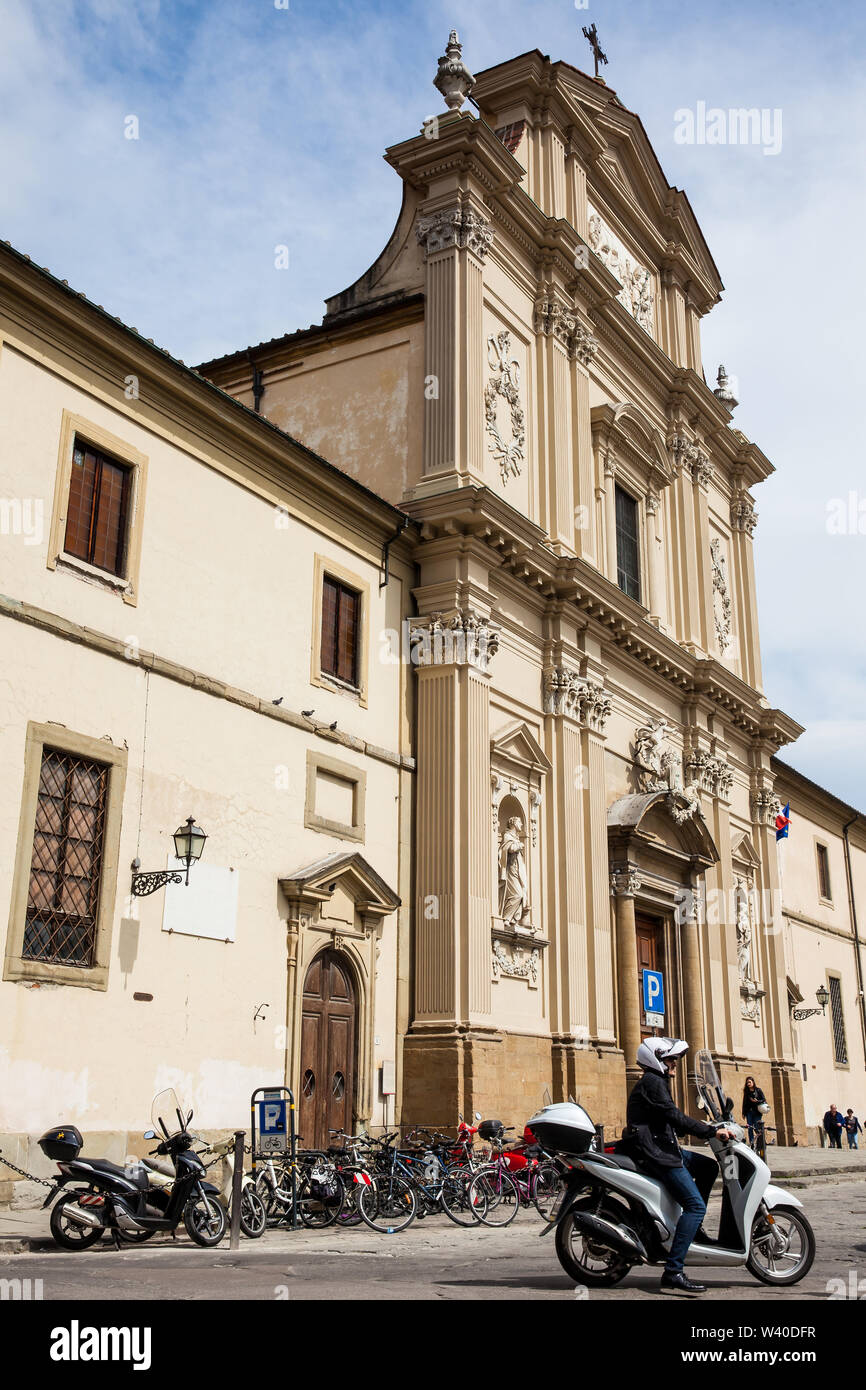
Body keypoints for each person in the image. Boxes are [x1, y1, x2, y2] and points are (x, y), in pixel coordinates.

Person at [626, 1037, 735, 1296]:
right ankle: (673, 1271)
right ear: (656, 1060)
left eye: (674, 1059)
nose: (674, 1063)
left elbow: (670, 1117)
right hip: (657, 1153)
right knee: (695, 1205)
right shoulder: (653, 1083)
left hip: (665, 1147)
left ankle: (693, 1230)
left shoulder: (658, 1081)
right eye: (670, 1059)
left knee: (708, 1168)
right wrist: (709, 1131)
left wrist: (714, 1123)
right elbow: (673, 1116)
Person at [742, 1076, 767, 1148]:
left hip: (757, 1112)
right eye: (747, 1083)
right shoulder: (746, 1092)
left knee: (757, 1127)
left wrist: (757, 1101)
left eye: (749, 1082)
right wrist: (743, 1113)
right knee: (750, 1127)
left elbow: (764, 1099)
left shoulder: (758, 1090)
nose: (748, 1084)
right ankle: (752, 1142)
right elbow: (744, 1102)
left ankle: (761, 1142)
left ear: (753, 1082)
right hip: (749, 1112)